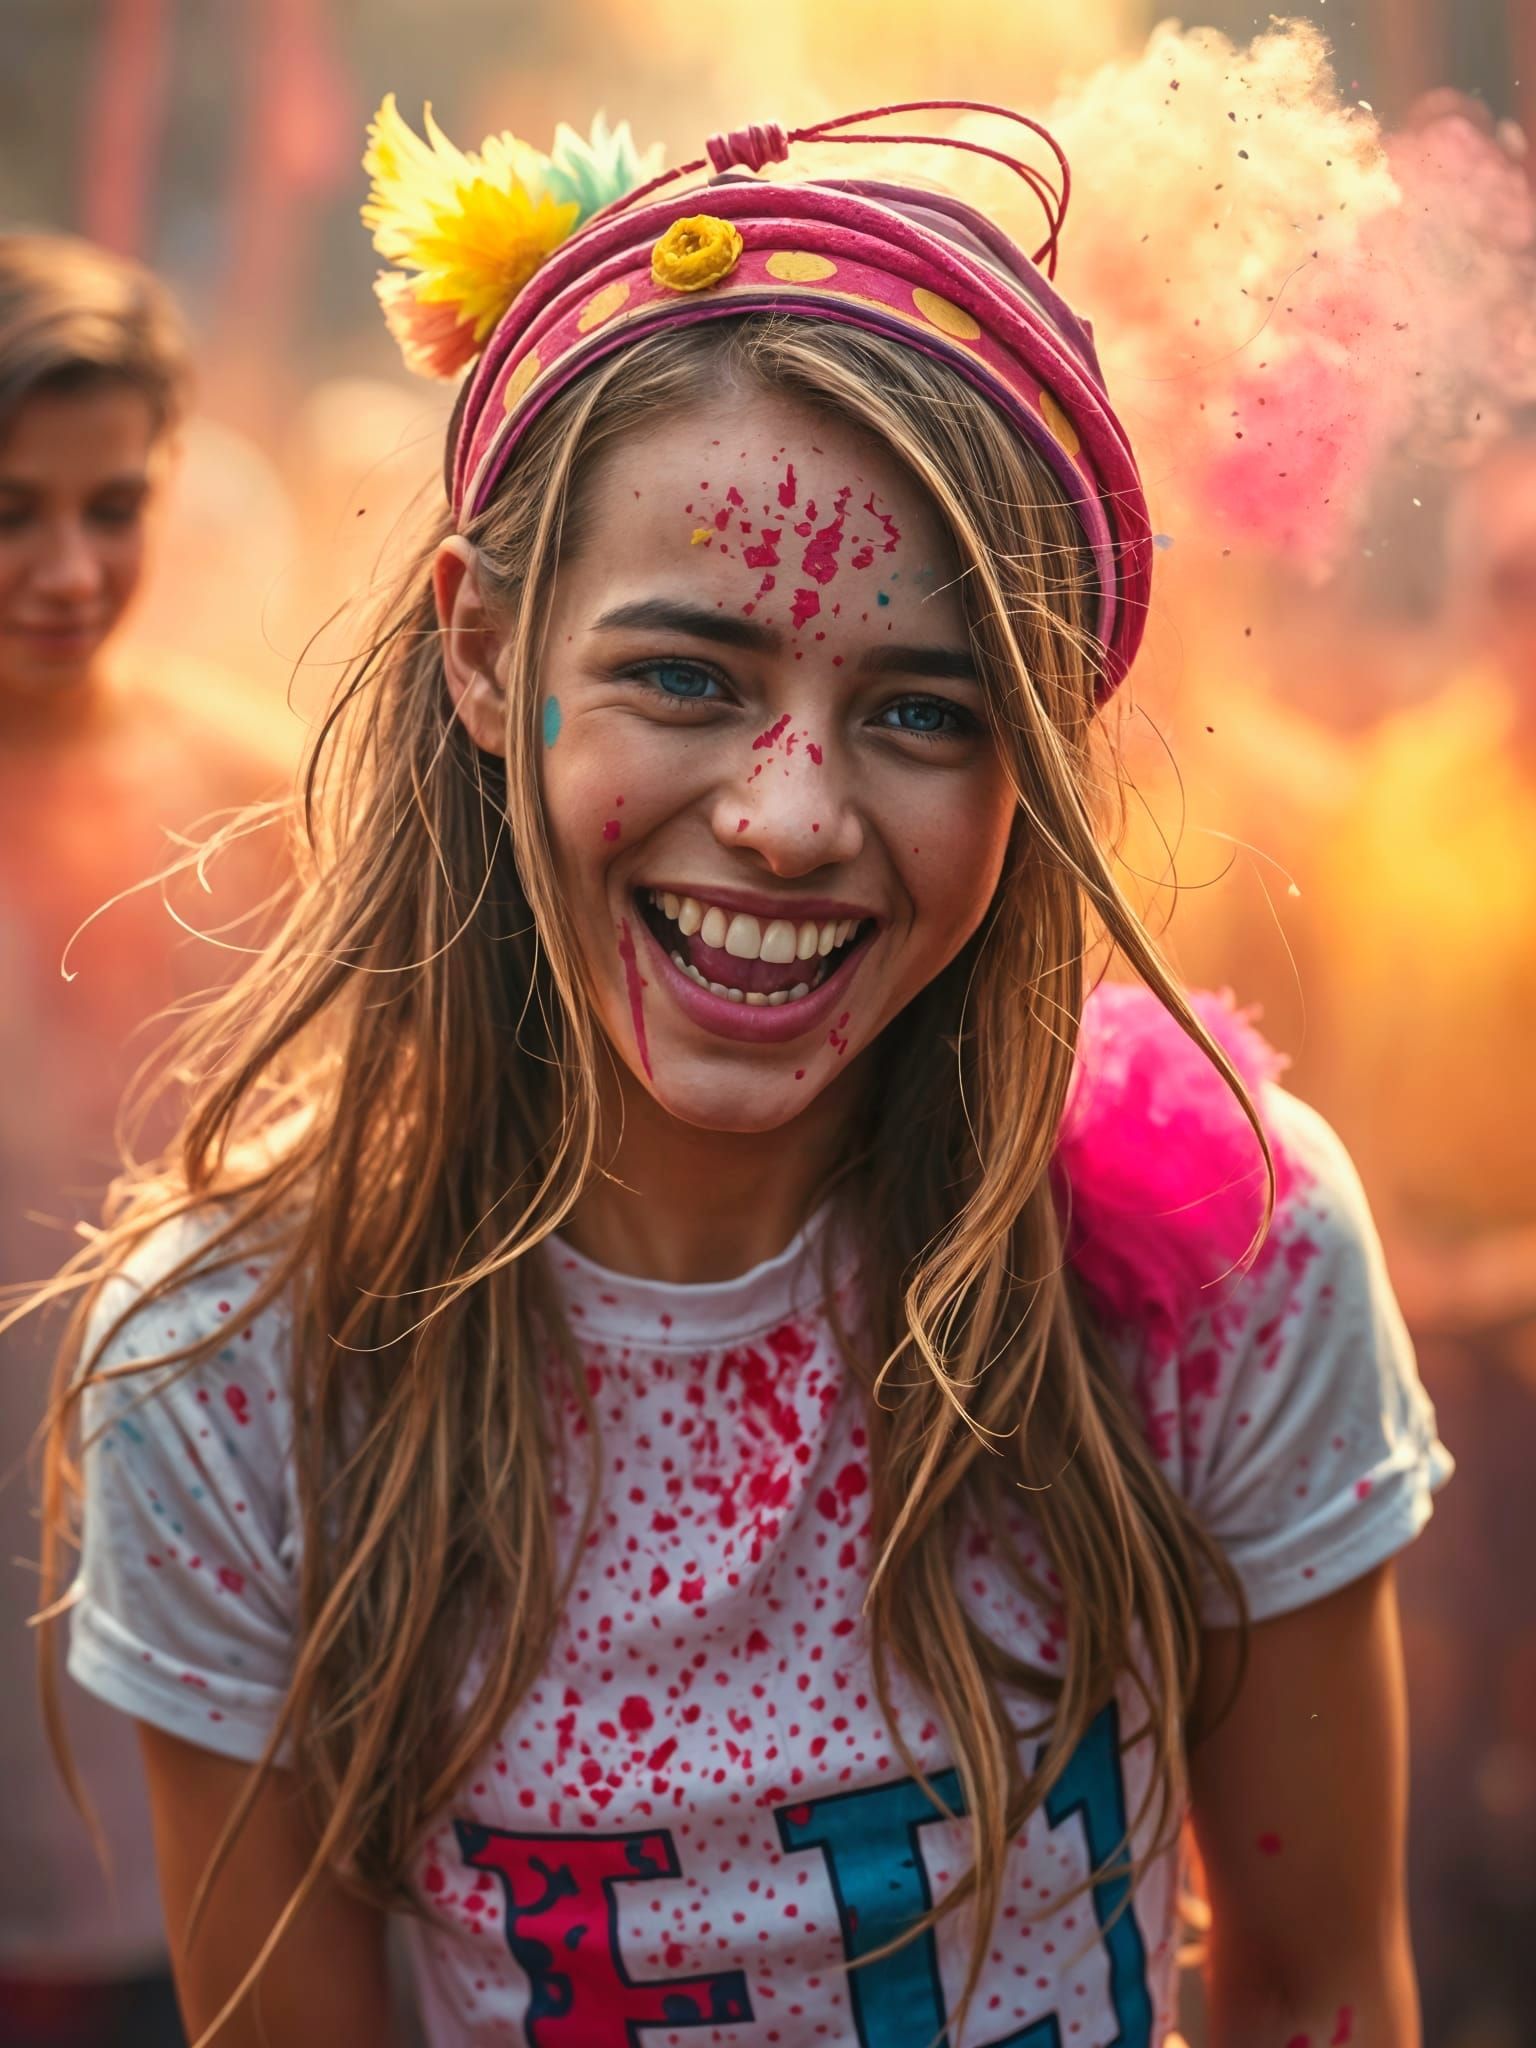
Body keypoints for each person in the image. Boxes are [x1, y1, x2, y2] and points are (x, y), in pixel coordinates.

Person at [33, 101, 1450, 2047]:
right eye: (685, 676)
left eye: (924, 710)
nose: (789, 817)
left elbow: (1317, 1998)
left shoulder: (1220, 1265)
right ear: (478, 643)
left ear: (1031, 756)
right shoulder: (229, 1363)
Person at [0, 234, 286, 2045]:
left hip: (192, 1617)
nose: (67, 569)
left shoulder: (259, 813)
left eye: (115, 506)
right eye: (9, 511)